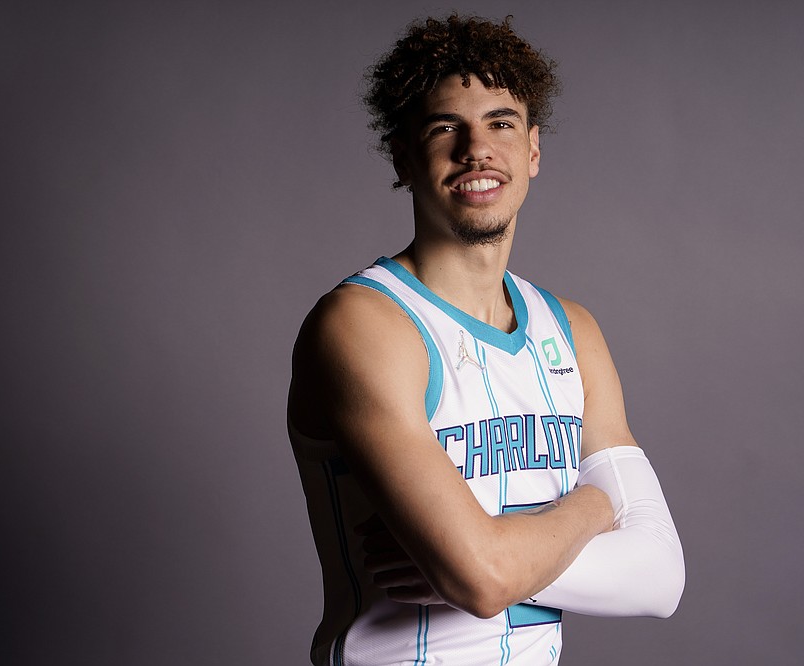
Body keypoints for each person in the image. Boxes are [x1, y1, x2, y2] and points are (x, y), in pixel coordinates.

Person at [289, 14, 684, 665]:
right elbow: (481, 578)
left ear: (532, 149)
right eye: (446, 127)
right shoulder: (365, 324)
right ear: (403, 155)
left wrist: (491, 554)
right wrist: (590, 510)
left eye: (500, 123)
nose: (477, 148)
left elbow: (660, 577)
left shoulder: (572, 330)